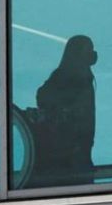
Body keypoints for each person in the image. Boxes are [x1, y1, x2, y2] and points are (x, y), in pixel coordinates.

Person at [31, 35, 97, 187]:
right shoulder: (67, 77)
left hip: (80, 154)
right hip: (67, 158)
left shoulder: (83, 78)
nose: (92, 55)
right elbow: (43, 95)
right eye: (88, 51)